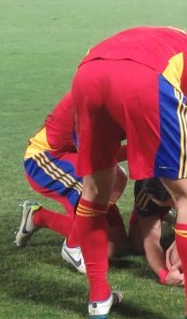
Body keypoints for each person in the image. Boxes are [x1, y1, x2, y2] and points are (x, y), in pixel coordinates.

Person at [69, 25, 187, 319]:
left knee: (95, 191)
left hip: (87, 73)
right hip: (146, 79)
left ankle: (98, 297)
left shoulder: (180, 45)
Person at [15, 91, 128, 273]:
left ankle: (38, 217)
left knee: (115, 246)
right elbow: (99, 157)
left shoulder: (129, 95)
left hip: (77, 157)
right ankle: (72, 246)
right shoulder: (98, 95)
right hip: (46, 157)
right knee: (108, 180)